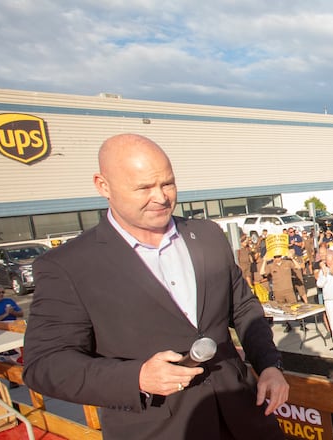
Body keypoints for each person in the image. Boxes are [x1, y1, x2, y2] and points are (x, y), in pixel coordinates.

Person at [22, 134, 287, 440]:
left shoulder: (208, 235)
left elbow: (242, 307)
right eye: (144, 188)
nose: (161, 197)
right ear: (103, 186)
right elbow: (45, 364)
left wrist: (270, 364)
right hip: (156, 428)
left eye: (168, 183)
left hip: (244, 416)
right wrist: (136, 377)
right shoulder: (68, 265)